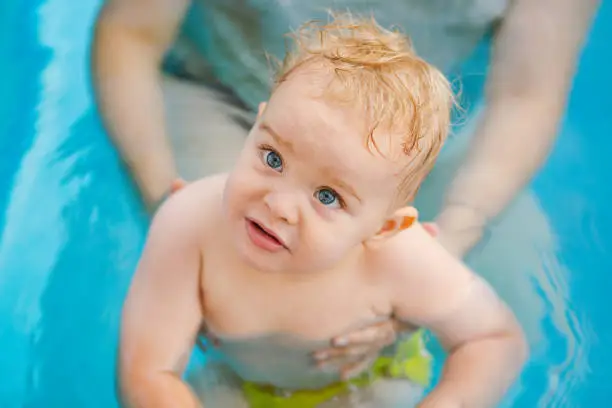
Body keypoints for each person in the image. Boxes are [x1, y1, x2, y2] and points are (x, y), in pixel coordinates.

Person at [93, 0, 599, 387]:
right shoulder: (189, 223)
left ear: (387, 228)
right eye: (270, 160)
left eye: (327, 197)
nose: (277, 205)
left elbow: (496, 339)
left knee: (525, 311)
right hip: (217, 87)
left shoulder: (407, 259)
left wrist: (456, 239)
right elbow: (148, 373)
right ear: (261, 125)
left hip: (396, 150)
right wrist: (160, 197)